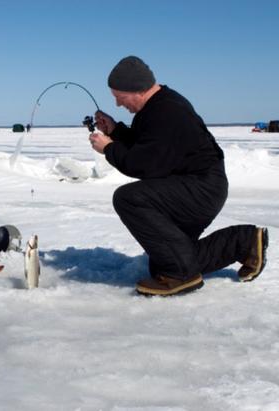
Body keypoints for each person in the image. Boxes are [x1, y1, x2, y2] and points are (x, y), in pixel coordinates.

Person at [89, 56, 269, 296]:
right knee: (165, 261)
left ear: (137, 90)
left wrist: (109, 148)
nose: (119, 105)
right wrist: (116, 131)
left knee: (129, 198)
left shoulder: (166, 111)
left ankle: (181, 276)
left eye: (119, 98)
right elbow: (151, 146)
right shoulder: (158, 106)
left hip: (200, 189)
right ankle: (243, 242)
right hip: (196, 186)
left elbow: (144, 165)